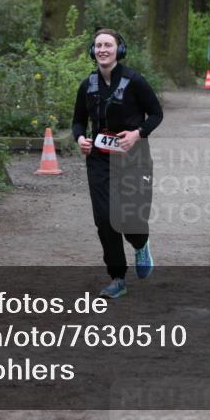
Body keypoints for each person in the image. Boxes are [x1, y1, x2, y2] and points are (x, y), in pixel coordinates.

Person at [72, 29, 163, 299]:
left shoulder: (134, 80)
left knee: (131, 218)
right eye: (98, 45)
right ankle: (117, 278)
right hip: (99, 159)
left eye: (108, 45)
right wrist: (80, 139)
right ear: (92, 51)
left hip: (134, 157)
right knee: (105, 219)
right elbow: (77, 120)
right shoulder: (87, 84)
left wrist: (137, 133)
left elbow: (156, 113)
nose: (102, 49)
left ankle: (141, 244)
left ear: (118, 50)